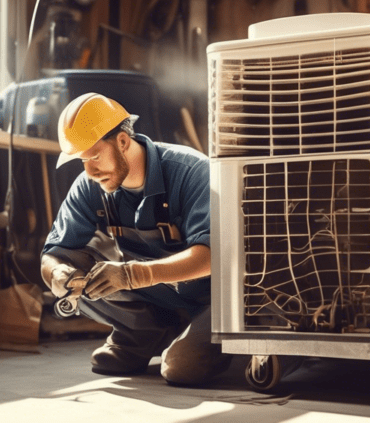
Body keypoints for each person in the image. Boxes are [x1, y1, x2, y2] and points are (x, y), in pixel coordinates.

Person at [40, 92, 231, 385]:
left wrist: (133, 275)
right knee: (71, 262)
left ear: (123, 141)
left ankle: (231, 343)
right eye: (81, 161)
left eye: (93, 156)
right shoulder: (91, 185)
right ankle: (143, 332)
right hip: (159, 297)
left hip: (213, 300)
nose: (89, 171)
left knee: (181, 368)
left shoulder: (192, 172)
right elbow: (54, 252)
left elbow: (214, 257)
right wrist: (57, 274)